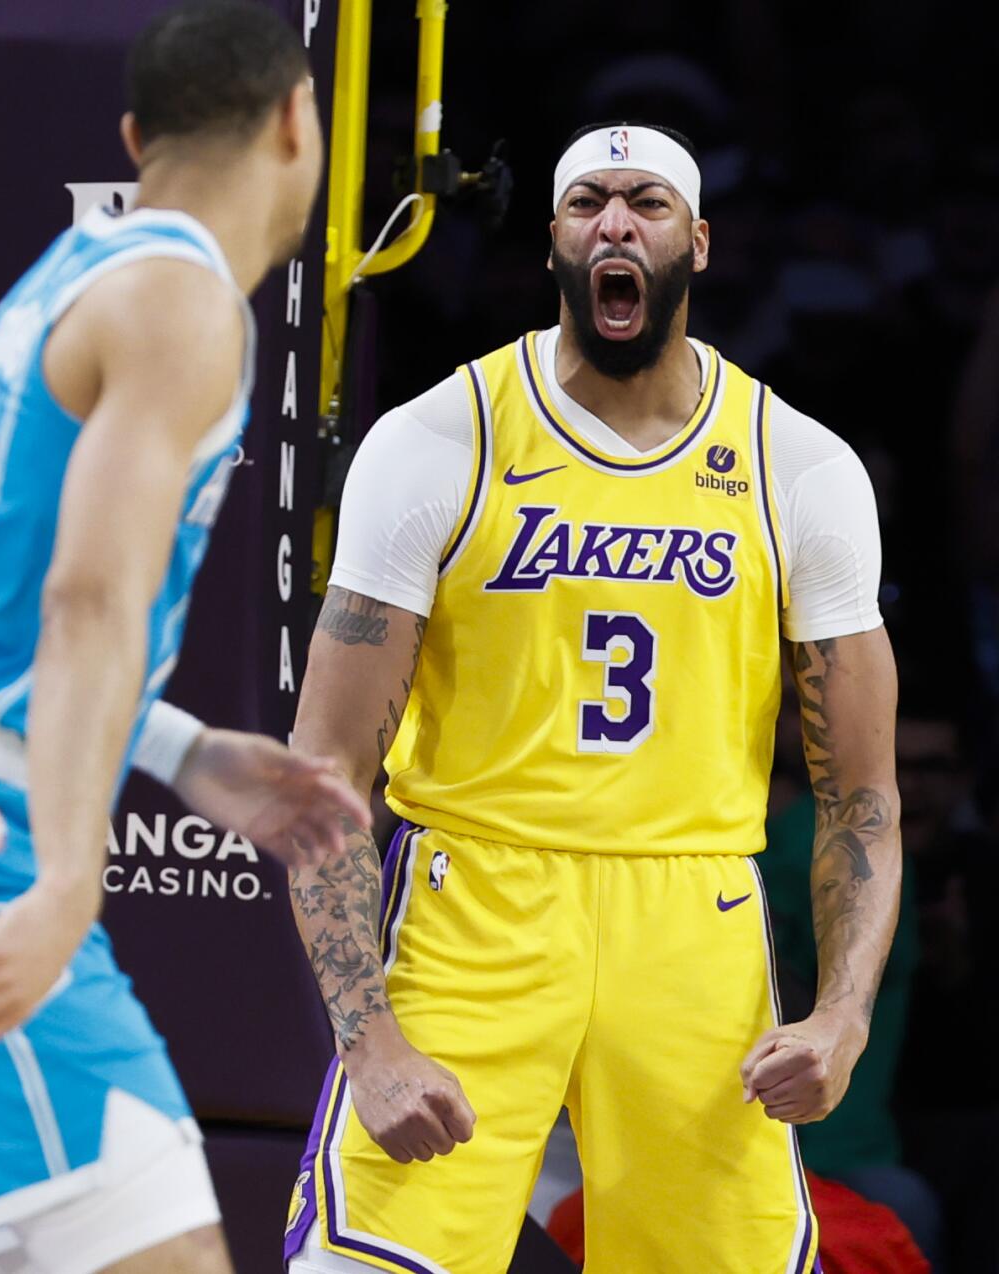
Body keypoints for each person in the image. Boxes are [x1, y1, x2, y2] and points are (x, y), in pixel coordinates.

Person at [0, 5, 370, 1273]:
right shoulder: (185, 299)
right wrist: (68, 878)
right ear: (297, 119)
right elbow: (89, 599)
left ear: (131, 138)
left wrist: (180, 748)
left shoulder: (52, 286)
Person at [282, 121, 900, 1273]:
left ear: (698, 242)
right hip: (477, 894)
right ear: (555, 241)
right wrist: (369, 1041)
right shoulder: (437, 440)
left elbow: (861, 794)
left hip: (694, 909)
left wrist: (842, 1014)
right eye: (588, 201)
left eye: (647, 201)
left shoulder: (799, 467)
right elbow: (324, 772)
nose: (616, 220)